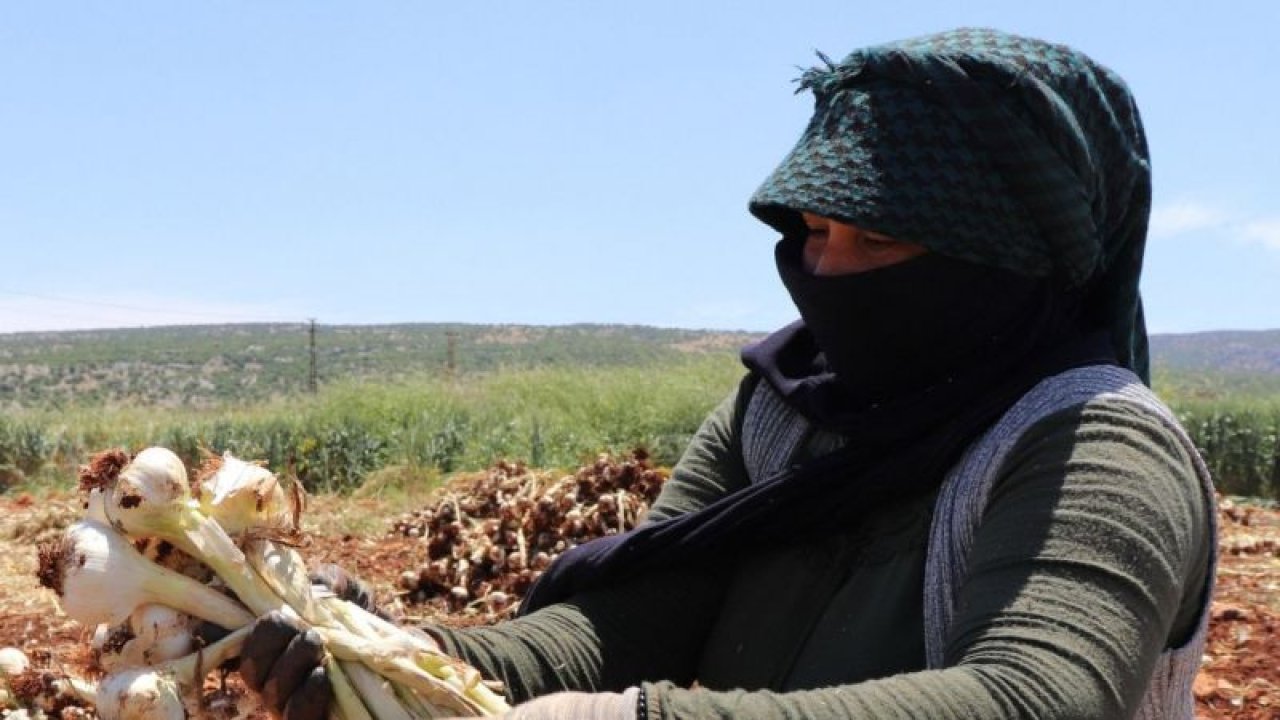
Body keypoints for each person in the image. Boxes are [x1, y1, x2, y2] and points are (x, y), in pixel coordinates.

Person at [239, 27, 1216, 719]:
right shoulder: (785, 411)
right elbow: (629, 619)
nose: (824, 273)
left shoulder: (1094, 446)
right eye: (812, 231)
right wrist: (410, 660)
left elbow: (1031, 698)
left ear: (1021, 259)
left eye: (875, 239)